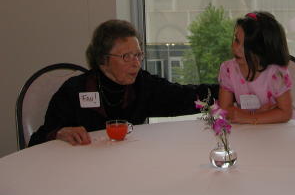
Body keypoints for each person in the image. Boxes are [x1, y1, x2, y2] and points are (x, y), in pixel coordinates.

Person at [29, 19, 218, 146]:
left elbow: (185, 97)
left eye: (138, 55)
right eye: (126, 56)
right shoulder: (74, 91)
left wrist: (231, 92)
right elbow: (37, 140)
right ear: (103, 59)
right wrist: (59, 134)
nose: (135, 63)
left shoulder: (142, 85)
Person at [218, 11, 295, 124]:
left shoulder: (275, 74)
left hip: (279, 129)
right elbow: (225, 109)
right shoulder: (228, 70)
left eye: (247, 46)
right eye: (236, 40)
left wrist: (248, 117)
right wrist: (253, 115)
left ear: (262, 51)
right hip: (249, 129)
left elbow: (285, 113)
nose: (236, 48)